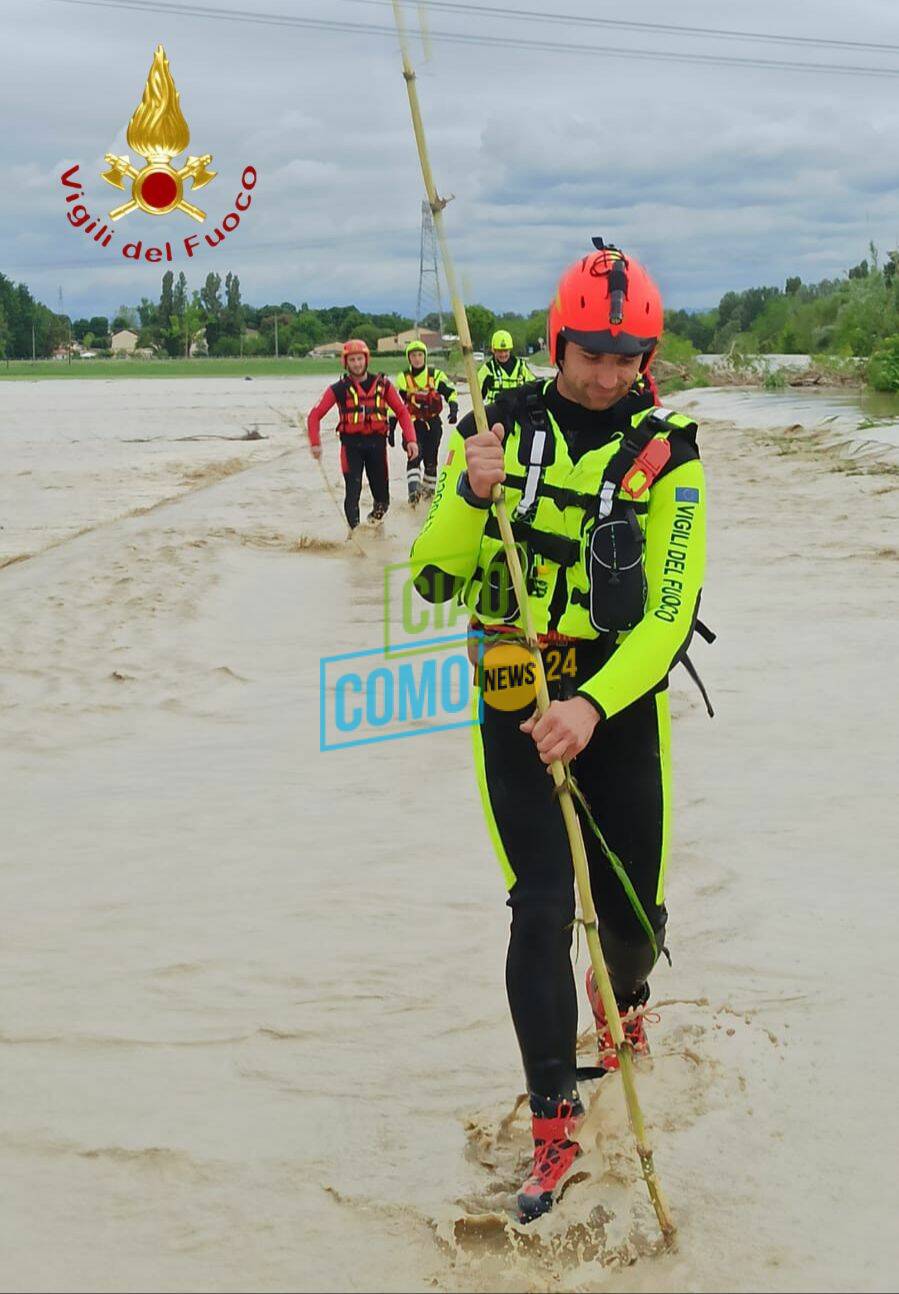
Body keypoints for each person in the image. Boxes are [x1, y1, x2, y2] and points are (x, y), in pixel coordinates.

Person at [408, 241, 707, 1223]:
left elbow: (664, 616)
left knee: (630, 923)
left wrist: (590, 706)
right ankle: (551, 1124)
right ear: (556, 340)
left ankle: (618, 994)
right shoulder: (494, 428)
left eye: (626, 355)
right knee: (537, 902)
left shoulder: (671, 453)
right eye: (589, 352)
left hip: (613, 704)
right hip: (513, 689)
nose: (606, 373)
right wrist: (469, 491)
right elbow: (433, 576)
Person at [307, 339, 417, 529]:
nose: (357, 364)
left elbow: (402, 412)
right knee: (352, 493)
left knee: (383, 501)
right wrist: (315, 443)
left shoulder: (383, 385)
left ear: (366, 360)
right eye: (352, 360)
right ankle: (356, 534)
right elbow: (314, 416)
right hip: (351, 447)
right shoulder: (339, 389)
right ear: (346, 363)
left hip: (377, 445)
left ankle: (374, 524)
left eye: (360, 359)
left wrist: (411, 440)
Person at [395, 339, 458, 503]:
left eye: (420, 355)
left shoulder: (435, 375)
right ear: (409, 358)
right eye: (413, 355)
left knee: (431, 461)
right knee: (414, 457)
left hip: (433, 424)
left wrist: (453, 409)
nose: (417, 358)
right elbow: (395, 403)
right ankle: (413, 496)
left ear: (425, 356)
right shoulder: (403, 377)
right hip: (412, 425)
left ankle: (428, 498)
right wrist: (391, 425)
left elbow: (450, 391)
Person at [477, 328, 535, 401]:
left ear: (510, 350)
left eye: (505, 351)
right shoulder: (487, 369)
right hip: (495, 411)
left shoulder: (521, 367)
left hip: (518, 411)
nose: (503, 354)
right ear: (493, 350)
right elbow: (477, 397)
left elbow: (533, 387)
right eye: (500, 351)